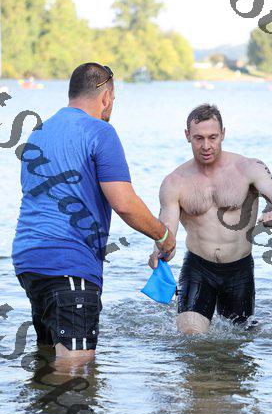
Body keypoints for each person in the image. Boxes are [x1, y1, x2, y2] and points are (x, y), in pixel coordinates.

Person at [13, 63, 175, 361]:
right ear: (106, 97)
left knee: (48, 358)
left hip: (29, 260)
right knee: (76, 368)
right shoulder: (101, 131)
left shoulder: (38, 133)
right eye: (113, 99)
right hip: (68, 262)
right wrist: (164, 235)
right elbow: (123, 202)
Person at [148, 103, 272, 334]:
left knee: (240, 340)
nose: (206, 146)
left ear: (223, 134)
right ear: (187, 136)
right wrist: (161, 250)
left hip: (239, 270)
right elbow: (167, 229)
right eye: (198, 138)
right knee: (191, 337)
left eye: (213, 137)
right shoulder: (174, 182)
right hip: (198, 268)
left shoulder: (248, 168)